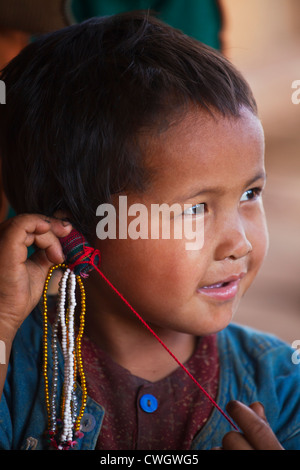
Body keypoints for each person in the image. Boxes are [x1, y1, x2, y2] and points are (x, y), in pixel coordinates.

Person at [0, 12, 299, 450]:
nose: (241, 242)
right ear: (73, 229)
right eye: (196, 208)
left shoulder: (283, 383)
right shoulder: (17, 373)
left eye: (250, 194)